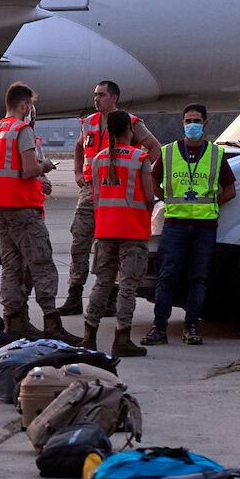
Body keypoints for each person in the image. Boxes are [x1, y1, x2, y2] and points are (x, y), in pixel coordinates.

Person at [0, 82, 75, 342]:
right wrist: (44, 166)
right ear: (24, 105)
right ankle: (51, 322)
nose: (31, 110)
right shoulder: (21, 130)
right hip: (22, 208)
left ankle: (15, 321)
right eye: (30, 105)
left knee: (11, 267)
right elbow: (27, 170)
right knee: (42, 264)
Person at [63, 81, 159, 319]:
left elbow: (154, 148)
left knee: (113, 244)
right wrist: (77, 172)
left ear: (114, 97)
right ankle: (74, 295)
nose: (96, 99)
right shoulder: (89, 122)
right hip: (91, 190)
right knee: (80, 242)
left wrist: (139, 173)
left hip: (118, 192)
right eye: (95, 94)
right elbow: (78, 147)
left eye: (101, 95)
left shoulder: (131, 123)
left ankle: (110, 297)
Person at [142, 103, 236, 346]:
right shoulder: (169, 152)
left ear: (205, 123)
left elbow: (230, 190)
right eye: (188, 121)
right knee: (167, 276)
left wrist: (212, 205)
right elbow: (153, 182)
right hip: (175, 224)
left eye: (196, 120)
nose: (192, 125)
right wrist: (169, 201)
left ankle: (191, 326)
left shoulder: (216, 154)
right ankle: (159, 327)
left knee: (199, 278)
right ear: (182, 123)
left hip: (204, 227)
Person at [85, 109, 159, 358]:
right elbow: (149, 197)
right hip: (133, 231)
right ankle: (122, 339)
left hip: (105, 230)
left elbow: (96, 196)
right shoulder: (140, 159)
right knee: (127, 286)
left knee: (102, 283)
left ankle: (89, 336)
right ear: (130, 129)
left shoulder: (97, 160)